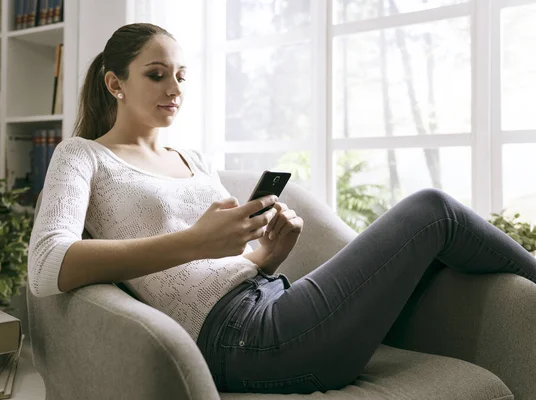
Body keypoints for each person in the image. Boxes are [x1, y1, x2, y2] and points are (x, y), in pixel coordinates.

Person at [28, 23, 536, 395]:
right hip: (241, 339)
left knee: (433, 248)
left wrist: (264, 256)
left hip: (269, 299)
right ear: (115, 84)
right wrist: (196, 241)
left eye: (181, 75)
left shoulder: (192, 158)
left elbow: (207, 270)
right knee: (434, 211)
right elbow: (48, 266)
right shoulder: (84, 156)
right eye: (156, 74)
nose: (175, 88)